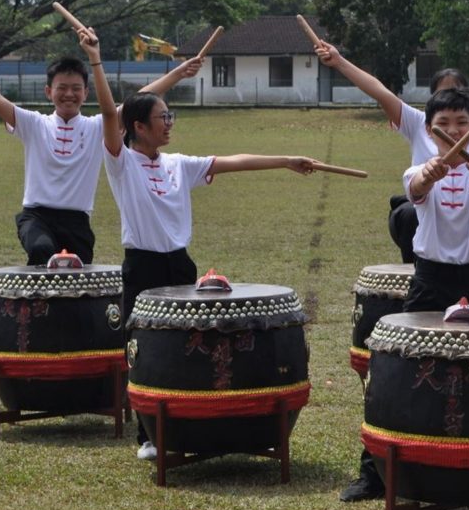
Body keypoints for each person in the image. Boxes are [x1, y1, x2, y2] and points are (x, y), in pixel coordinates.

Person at [94, 53, 320, 460]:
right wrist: (95, 61)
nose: (169, 122)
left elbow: (233, 162)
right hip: (142, 265)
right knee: (142, 347)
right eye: (162, 117)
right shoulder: (121, 163)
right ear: (139, 127)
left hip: (181, 266)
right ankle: (147, 435)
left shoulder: (180, 165)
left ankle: (187, 421)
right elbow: (110, 113)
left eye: (170, 115)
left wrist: (286, 161)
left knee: (185, 345)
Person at [339, 87, 469, 501]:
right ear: (430, 132)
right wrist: (429, 174)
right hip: (429, 279)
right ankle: (373, 472)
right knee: (398, 368)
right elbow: (416, 189)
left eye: (462, 124)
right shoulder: (420, 167)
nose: (453, 131)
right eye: (442, 125)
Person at [315, 32, 469, 261]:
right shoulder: (418, 122)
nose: (452, 119)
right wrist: (338, 62)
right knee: (407, 215)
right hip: (424, 208)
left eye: (458, 96)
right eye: (443, 96)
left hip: (466, 217)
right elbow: (380, 92)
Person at [0, 40, 109, 265]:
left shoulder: (97, 127)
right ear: (48, 91)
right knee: (41, 249)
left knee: (78, 283)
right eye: (61, 88)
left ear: (86, 93)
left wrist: (95, 58)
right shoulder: (34, 123)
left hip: (77, 221)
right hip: (37, 216)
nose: (69, 94)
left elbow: (138, 103)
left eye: (76, 88)